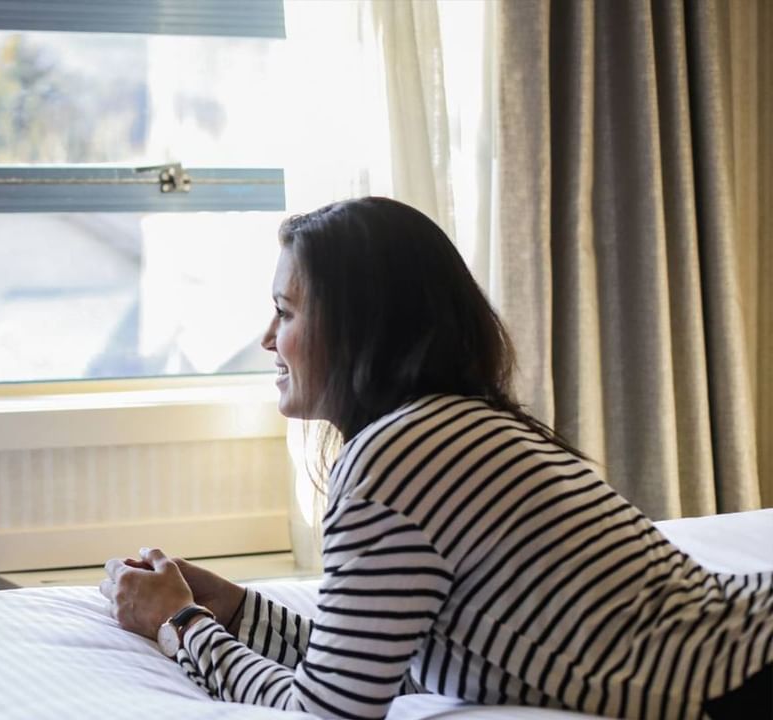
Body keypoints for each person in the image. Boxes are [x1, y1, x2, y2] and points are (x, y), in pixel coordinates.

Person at [99, 197, 773, 720]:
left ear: (359, 326)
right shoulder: (450, 424)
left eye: (285, 311)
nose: (268, 339)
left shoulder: (394, 461)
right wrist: (238, 611)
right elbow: (396, 655)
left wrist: (176, 625)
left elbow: (326, 710)